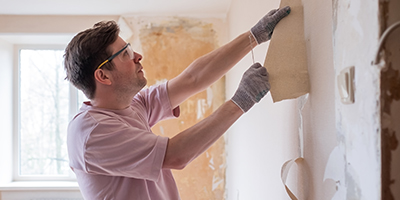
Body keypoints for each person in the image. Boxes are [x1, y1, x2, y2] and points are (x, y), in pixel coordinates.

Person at [64, 6, 290, 200]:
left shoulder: (133, 106)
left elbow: (193, 79)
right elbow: (175, 154)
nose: (138, 56)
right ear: (103, 76)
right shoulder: (90, 133)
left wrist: (254, 36)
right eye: (125, 53)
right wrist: (241, 101)